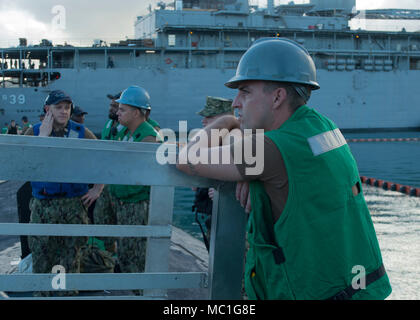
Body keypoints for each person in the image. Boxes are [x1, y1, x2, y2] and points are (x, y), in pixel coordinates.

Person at [176, 38, 392, 300]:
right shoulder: (321, 126)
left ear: (278, 96)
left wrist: (226, 121)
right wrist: (253, 176)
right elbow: (289, 166)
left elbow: (187, 158)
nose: (236, 102)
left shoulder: (270, 150)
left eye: (245, 91)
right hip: (360, 287)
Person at [25, 90, 104, 296]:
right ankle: (42, 294)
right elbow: (23, 164)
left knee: (70, 257)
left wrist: (97, 189)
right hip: (43, 206)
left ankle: (66, 295)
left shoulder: (81, 133)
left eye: (67, 108)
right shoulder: (32, 133)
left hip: (72, 205)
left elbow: (105, 158)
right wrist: (42, 138)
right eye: (58, 107)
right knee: (42, 255)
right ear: (47, 110)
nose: (63, 111)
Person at [95, 86, 162, 292]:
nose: (118, 112)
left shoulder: (149, 137)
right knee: (122, 250)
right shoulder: (123, 130)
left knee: (133, 253)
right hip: (118, 199)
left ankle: (139, 293)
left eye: (122, 110)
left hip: (134, 204)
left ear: (136, 112)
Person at [192, 96, 233, 251]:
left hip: (233, 220)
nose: (204, 122)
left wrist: (225, 193)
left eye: (210, 117)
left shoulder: (236, 141)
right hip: (215, 217)